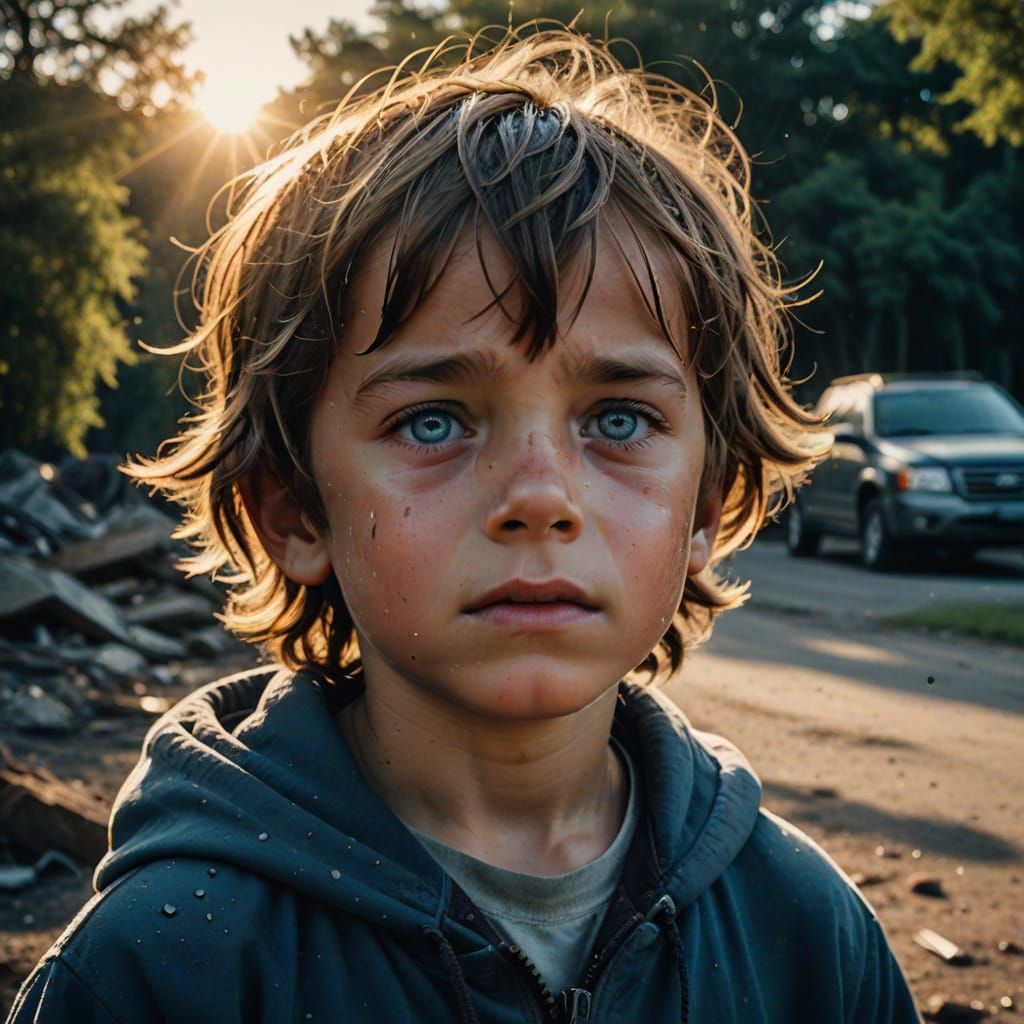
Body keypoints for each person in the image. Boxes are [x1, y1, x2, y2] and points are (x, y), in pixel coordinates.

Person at [7, 25, 922, 1024]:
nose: (540, 496)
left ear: (705, 507)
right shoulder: (163, 967)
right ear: (292, 509)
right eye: (432, 421)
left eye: (619, 420)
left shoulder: (810, 935)